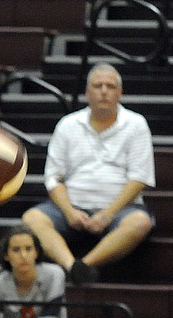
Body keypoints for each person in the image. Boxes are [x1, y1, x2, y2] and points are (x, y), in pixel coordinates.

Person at [22, 63, 155, 287]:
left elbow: (140, 178)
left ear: (120, 93)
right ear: (87, 92)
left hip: (121, 209)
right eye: (98, 86)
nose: (104, 91)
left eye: (110, 86)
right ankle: (71, 266)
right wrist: (69, 211)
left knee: (140, 223)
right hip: (71, 207)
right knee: (32, 219)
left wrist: (108, 214)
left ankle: (84, 265)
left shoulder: (136, 124)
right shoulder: (68, 124)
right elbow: (54, 177)